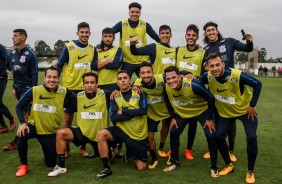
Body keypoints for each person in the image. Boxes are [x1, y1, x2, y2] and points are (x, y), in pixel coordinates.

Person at [201, 52, 261, 183]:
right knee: (218, 137)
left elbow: (257, 84)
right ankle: (228, 165)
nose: (215, 68)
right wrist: (188, 75)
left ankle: (250, 171)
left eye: (218, 65)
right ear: (208, 67)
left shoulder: (237, 75)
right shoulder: (207, 76)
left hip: (245, 111)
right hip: (226, 114)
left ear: (223, 64)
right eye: (212, 66)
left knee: (251, 137)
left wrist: (252, 105)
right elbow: (196, 80)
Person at [202, 21, 254, 161]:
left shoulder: (229, 42)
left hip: (232, 86)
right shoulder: (204, 49)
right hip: (215, 86)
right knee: (216, 117)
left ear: (217, 31)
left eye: (213, 29)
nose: (211, 32)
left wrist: (249, 41)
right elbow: (203, 69)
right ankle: (212, 148)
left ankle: (231, 150)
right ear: (205, 34)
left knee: (230, 120)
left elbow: (248, 49)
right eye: (208, 31)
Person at [163, 66, 222, 178]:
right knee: (174, 132)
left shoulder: (193, 84)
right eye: (168, 79)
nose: (171, 81)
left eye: (174, 77)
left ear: (180, 76)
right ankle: (175, 162)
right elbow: (167, 101)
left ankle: (214, 166)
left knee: (210, 135)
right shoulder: (166, 87)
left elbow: (210, 98)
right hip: (183, 113)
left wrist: (209, 118)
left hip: (201, 111)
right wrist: (172, 117)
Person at [48, 72, 111, 177]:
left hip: (99, 136)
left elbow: (122, 91)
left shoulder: (106, 95)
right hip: (82, 133)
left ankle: (103, 159)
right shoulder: (77, 97)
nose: (89, 85)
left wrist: (120, 92)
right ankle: (61, 166)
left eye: (92, 82)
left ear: (97, 84)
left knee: (111, 158)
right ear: (83, 84)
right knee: (61, 133)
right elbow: (61, 95)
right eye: (87, 83)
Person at [15, 66, 73, 177]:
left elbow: (78, 100)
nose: (52, 80)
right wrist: (22, 123)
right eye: (49, 77)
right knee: (21, 134)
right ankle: (23, 165)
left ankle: (46, 148)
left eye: (54, 77)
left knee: (50, 163)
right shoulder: (35, 90)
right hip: (34, 126)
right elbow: (19, 106)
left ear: (58, 79)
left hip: (49, 132)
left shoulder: (63, 91)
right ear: (44, 78)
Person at [130, 24, 174, 158]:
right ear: (159, 36)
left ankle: (161, 146)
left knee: (167, 121)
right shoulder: (154, 47)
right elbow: (136, 52)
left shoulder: (176, 50)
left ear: (171, 35)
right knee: (148, 121)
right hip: (151, 84)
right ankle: (149, 146)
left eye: (167, 33)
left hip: (168, 88)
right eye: (163, 33)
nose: (165, 35)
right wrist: (132, 45)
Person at [96, 70, 148, 179]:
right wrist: (134, 112)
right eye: (120, 79)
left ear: (130, 81)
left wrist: (124, 111)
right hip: (121, 131)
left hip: (137, 134)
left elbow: (143, 111)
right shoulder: (114, 96)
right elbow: (114, 117)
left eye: (125, 78)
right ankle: (107, 167)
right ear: (117, 83)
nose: (123, 80)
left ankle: (130, 153)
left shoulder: (139, 92)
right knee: (101, 134)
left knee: (141, 167)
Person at [57, 22, 95, 158]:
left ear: (90, 34)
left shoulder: (92, 48)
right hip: (69, 89)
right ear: (77, 33)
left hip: (85, 90)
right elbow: (59, 65)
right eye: (82, 32)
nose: (84, 35)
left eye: (87, 32)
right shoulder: (69, 47)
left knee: (83, 121)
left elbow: (95, 66)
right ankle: (65, 147)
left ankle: (83, 147)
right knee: (68, 118)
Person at [174, 24, 206, 160]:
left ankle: (188, 149)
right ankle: (173, 149)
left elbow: (205, 73)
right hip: (178, 89)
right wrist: (184, 73)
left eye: (194, 35)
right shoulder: (178, 50)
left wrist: (196, 77)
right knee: (176, 121)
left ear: (197, 37)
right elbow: (171, 68)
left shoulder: (202, 52)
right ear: (185, 36)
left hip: (194, 90)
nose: (191, 37)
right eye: (189, 35)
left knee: (192, 122)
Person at [3, 29, 38, 151]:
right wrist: (14, 87)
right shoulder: (12, 54)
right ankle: (30, 131)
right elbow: (14, 72)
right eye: (13, 36)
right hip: (17, 88)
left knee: (23, 114)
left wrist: (33, 91)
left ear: (23, 38)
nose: (13, 38)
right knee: (25, 115)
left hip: (27, 89)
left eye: (15, 36)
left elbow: (35, 74)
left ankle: (17, 141)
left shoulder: (31, 55)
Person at [92, 27, 124, 157]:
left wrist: (102, 63)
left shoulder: (118, 50)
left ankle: (119, 147)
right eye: (105, 36)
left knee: (117, 118)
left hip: (114, 87)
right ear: (102, 37)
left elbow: (117, 64)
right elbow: (93, 66)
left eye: (110, 36)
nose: (107, 38)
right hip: (100, 88)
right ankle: (103, 147)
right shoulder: (96, 50)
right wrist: (108, 61)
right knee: (102, 117)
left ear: (113, 38)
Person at [133, 62, 171, 169]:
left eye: (148, 72)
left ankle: (162, 148)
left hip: (167, 112)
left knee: (172, 130)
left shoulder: (162, 78)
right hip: (152, 114)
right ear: (139, 75)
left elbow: (176, 74)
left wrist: (187, 74)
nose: (146, 75)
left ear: (153, 72)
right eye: (143, 73)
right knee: (150, 136)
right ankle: (154, 159)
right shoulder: (138, 84)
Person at [112, 2, 160, 77]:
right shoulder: (122, 24)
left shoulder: (144, 24)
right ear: (129, 13)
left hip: (142, 62)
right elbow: (109, 33)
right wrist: (101, 46)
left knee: (145, 84)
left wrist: (166, 46)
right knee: (124, 83)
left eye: (137, 12)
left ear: (140, 13)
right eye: (132, 12)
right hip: (127, 61)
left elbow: (156, 37)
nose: (134, 14)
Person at [0, 44, 16, 134]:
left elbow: (8, 58)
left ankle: (12, 119)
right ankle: (3, 126)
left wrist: (11, 69)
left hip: (1, 77)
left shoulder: (1, 47)